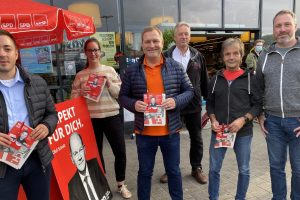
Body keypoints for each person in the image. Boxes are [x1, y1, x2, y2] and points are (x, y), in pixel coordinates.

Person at [119, 26, 194, 200]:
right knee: (145, 172)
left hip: (171, 132)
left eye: (155, 41)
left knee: (174, 172)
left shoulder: (176, 67)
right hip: (144, 133)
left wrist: (176, 101)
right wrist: (133, 104)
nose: (151, 45)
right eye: (147, 41)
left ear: (162, 43)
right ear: (142, 45)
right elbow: (122, 97)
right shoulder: (132, 71)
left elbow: (190, 91)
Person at [0, 29, 58, 200]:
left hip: (36, 158)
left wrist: (46, 126)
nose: (2, 54)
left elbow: (52, 114)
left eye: (7, 48)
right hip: (3, 165)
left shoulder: (37, 83)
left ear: (16, 53)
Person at [71, 37, 132, 199]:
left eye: (96, 50)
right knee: (96, 155)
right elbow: (73, 100)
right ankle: (102, 186)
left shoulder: (110, 71)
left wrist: (109, 85)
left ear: (100, 52)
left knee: (120, 151)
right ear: (85, 53)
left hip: (111, 116)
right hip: (91, 120)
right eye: (90, 50)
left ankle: (121, 184)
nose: (93, 53)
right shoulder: (80, 75)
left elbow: (120, 94)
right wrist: (80, 95)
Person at [206, 38, 262, 200]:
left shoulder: (251, 78)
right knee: (214, 169)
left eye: (235, 53)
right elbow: (210, 104)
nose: (231, 57)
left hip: (243, 132)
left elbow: (257, 105)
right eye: (227, 54)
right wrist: (213, 119)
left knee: (244, 169)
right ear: (223, 57)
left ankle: (240, 197)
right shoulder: (215, 79)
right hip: (220, 131)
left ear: (241, 55)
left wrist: (243, 119)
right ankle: (213, 197)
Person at [256, 9, 300, 200]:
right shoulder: (265, 56)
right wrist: (260, 114)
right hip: (272, 123)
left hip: (297, 122)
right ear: (273, 29)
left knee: (299, 169)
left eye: (287, 24)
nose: (282, 29)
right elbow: (258, 89)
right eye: (278, 26)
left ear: (295, 27)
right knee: (276, 168)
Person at [161, 21, 209, 184]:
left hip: (194, 105)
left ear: (190, 36)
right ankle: (171, 170)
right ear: (174, 36)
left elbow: (204, 81)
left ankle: (196, 168)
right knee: (170, 138)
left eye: (186, 34)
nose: (183, 36)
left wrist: (209, 104)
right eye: (180, 34)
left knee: (196, 138)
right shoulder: (165, 56)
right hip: (172, 104)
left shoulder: (197, 56)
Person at [68, 132, 112, 200]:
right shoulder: (72, 185)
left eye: (80, 150)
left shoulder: (95, 164)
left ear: (84, 150)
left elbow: (106, 189)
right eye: (75, 153)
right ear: (72, 158)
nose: (79, 157)